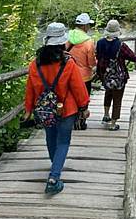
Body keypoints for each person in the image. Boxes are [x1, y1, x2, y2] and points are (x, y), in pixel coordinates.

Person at [24, 22, 89, 195]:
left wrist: (28, 109)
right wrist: (84, 107)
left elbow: (30, 88)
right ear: (62, 42)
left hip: (45, 109)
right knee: (63, 142)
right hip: (66, 109)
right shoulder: (67, 63)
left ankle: (55, 167)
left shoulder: (35, 64)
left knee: (51, 138)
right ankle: (54, 177)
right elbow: (78, 87)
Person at [96, 19, 136, 131]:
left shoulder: (100, 43)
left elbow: (98, 57)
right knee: (117, 98)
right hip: (118, 76)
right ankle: (113, 123)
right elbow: (134, 57)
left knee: (108, 93)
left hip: (105, 74)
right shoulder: (120, 45)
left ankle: (106, 115)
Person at [66, 13, 96, 130]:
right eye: (88, 25)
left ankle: (71, 120)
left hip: (69, 74)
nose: (89, 27)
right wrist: (94, 66)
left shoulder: (68, 37)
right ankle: (81, 122)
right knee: (83, 99)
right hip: (84, 76)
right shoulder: (89, 42)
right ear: (84, 26)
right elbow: (91, 62)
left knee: (71, 98)